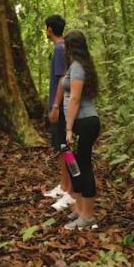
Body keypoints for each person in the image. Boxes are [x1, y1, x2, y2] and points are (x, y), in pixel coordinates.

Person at [61, 29, 102, 229]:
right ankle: (79, 209)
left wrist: (68, 129)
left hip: (83, 122)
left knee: (83, 166)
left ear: (70, 47)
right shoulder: (77, 66)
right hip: (80, 122)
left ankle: (88, 215)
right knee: (74, 165)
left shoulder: (77, 67)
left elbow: (75, 99)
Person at [41, 14, 75, 212]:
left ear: (50, 29)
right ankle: (64, 186)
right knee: (62, 148)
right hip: (60, 106)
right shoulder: (61, 47)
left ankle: (72, 191)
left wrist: (55, 106)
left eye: (46, 28)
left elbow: (63, 79)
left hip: (61, 107)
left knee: (66, 148)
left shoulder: (60, 49)